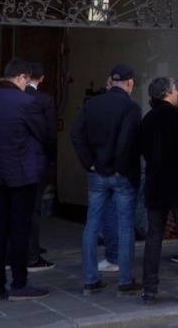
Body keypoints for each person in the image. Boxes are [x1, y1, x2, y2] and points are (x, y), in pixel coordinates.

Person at [0, 57, 52, 301]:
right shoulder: (25, 102)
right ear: (21, 77)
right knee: (20, 229)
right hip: (22, 173)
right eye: (25, 81)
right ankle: (20, 284)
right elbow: (43, 134)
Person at [71, 63, 143, 296]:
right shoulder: (130, 107)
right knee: (125, 227)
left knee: (92, 225)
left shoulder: (92, 104)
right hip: (120, 175)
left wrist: (89, 162)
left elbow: (76, 134)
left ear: (111, 81)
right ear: (130, 83)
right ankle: (124, 281)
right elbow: (125, 141)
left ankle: (90, 280)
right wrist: (120, 167)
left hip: (96, 173)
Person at [138, 77, 178, 305]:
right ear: (167, 93)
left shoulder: (147, 119)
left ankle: (150, 291)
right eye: (176, 90)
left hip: (156, 184)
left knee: (153, 237)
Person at [25, 62, 57, 272]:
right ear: (42, 78)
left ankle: (23, 249)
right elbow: (50, 135)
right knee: (33, 210)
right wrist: (52, 159)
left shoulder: (13, 98)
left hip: (15, 164)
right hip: (37, 163)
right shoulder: (45, 100)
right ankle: (31, 255)